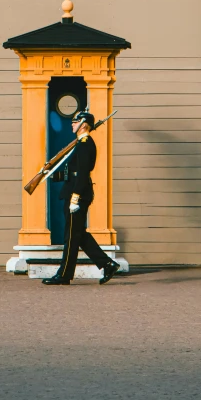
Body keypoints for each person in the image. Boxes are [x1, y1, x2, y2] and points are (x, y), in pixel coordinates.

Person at [42, 110, 121, 286]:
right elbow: (73, 171)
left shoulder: (85, 143)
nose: (72, 124)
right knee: (78, 234)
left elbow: (83, 173)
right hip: (73, 190)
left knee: (71, 236)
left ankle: (64, 275)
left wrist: (75, 197)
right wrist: (51, 174)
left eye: (75, 121)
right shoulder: (80, 143)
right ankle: (107, 264)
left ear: (84, 124)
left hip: (77, 193)